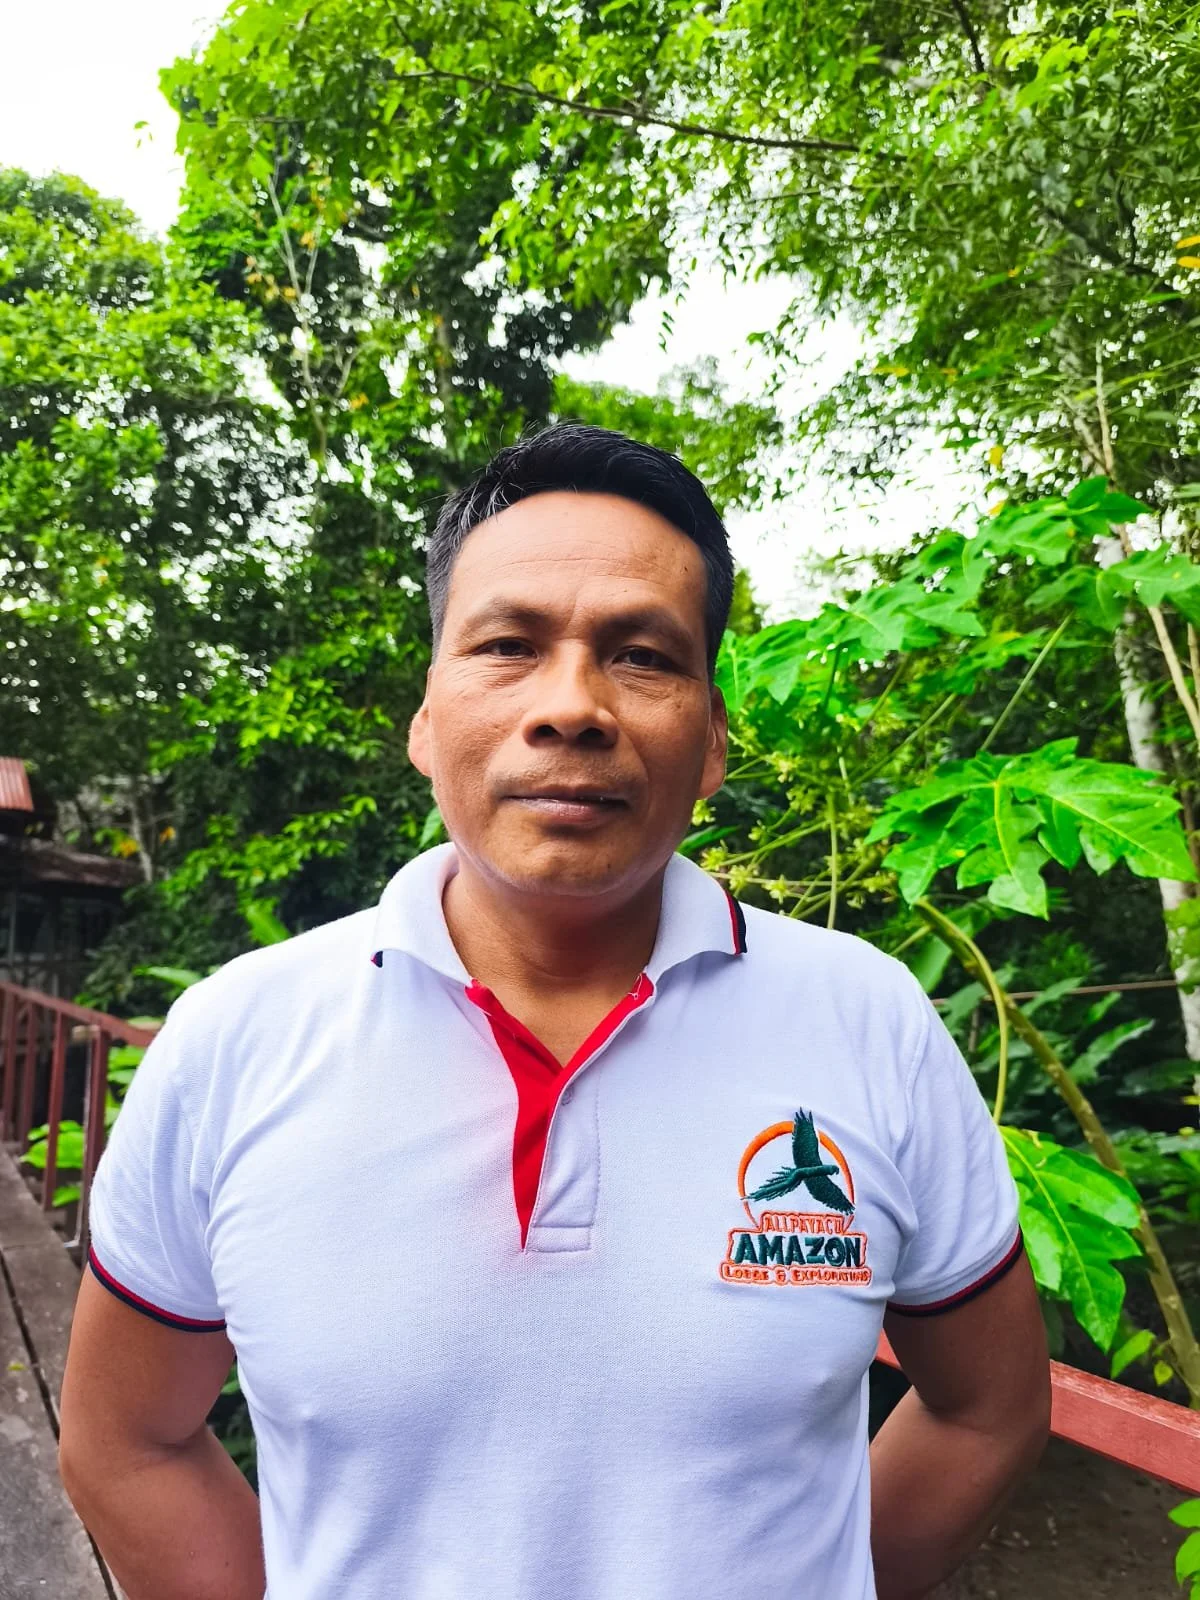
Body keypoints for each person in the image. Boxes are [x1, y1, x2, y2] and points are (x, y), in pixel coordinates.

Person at [58, 423, 1050, 1600]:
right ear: (428, 718)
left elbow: (989, 1407)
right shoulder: (238, 1039)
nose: (572, 706)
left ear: (716, 738)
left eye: (643, 656)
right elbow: (123, 1437)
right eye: (510, 645)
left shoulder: (867, 1022)